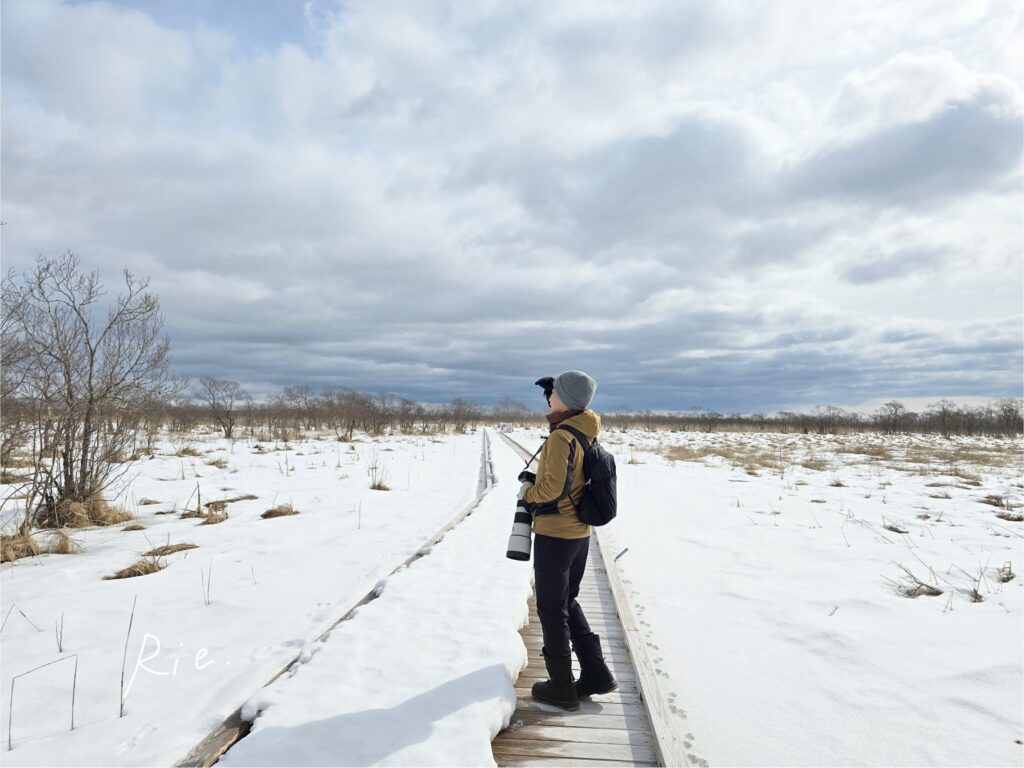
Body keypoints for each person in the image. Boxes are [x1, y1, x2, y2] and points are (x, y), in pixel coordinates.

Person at [516, 370, 617, 710]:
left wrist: (529, 494)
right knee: (568, 600)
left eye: (555, 391)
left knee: (551, 608)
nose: (550, 396)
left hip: (555, 534)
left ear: (567, 399)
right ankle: (596, 673)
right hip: (579, 534)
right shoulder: (585, 431)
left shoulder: (561, 438)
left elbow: (553, 490)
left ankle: (561, 686)